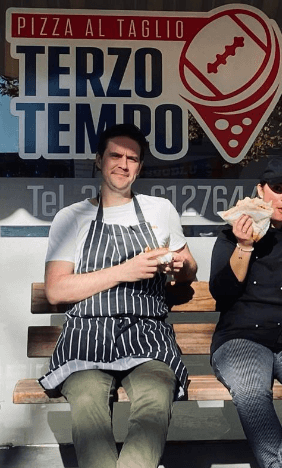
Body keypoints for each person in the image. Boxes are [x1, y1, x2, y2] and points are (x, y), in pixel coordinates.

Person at [39, 123, 197, 468]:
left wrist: (181, 266)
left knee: (156, 396)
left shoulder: (160, 210)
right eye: (115, 156)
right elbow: (55, 290)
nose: (123, 165)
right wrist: (124, 271)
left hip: (147, 334)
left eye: (132, 159)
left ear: (140, 166)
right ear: (99, 160)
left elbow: (189, 268)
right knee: (87, 399)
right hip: (87, 335)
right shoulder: (72, 217)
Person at [209, 156, 282, 468]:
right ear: (261, 190)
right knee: (250, 389)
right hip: (241, 338)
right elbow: (222, 293)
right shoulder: (230, 234)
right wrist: (244, 245)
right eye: (278, 189)